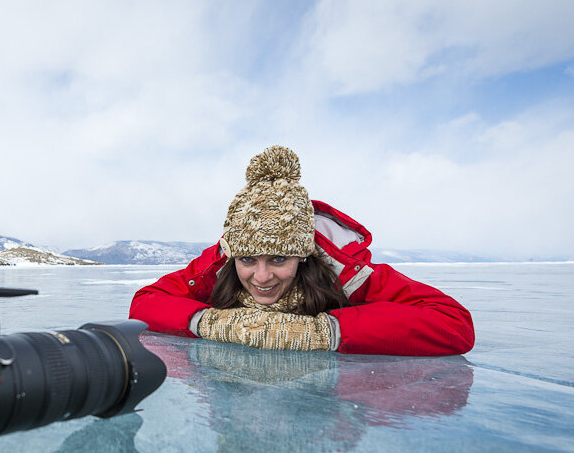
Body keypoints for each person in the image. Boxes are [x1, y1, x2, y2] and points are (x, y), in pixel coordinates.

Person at [129, 146, 475, 356]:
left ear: (303, 255)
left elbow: (453, 324)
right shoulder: (218, 267)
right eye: (248, 259)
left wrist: (323, 332)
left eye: (278, 258)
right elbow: (144, 302)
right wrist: (213, 323)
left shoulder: (346, 274)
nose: (261, 277)